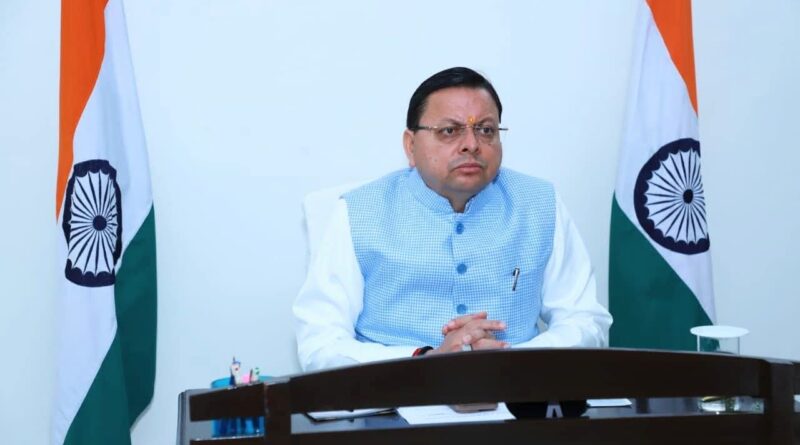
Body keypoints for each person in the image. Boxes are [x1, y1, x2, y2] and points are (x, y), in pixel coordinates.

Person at [294, 67, 612, 371]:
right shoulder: (358, 213)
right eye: (449, 131)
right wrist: (425, 361)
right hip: (396, 398)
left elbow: (585, 320)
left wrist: (511, 360)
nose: (472, 144)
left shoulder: (539, 204)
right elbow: (320, 344)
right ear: (411, 145)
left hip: (517, 396)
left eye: (486, 130)